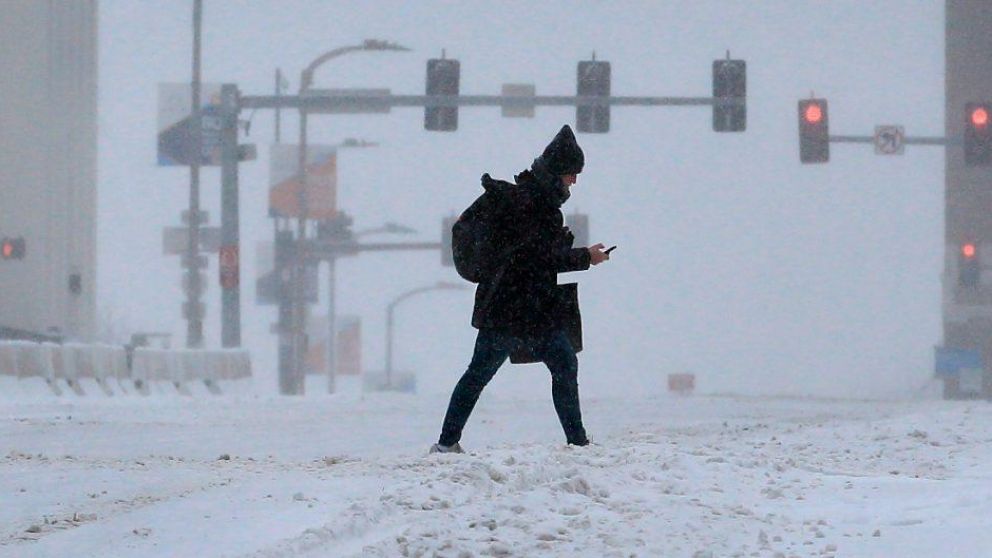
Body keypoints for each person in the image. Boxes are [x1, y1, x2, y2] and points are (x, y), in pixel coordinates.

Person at [431, 124, 611, 454]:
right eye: (571, 174)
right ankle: (577, 442)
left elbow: (527, 254)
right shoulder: (538, 207)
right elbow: (541, 259)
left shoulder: (520, 199)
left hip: (506, 306)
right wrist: (586, 256)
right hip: (524, 309)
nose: (574, 181)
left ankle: (446, 442)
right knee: (561, 364)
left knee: (482, 372)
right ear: (556, 172)